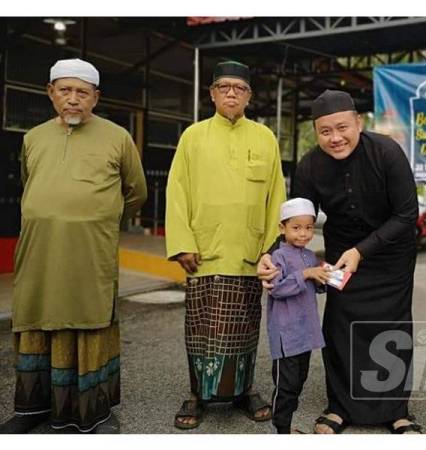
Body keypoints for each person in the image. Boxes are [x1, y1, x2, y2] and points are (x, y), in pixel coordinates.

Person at [258, 90, 421, 434]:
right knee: (340, 325)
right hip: (341, 253)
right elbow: (297, 221)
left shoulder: (387, 152)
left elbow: (407, 215)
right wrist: (269, 257)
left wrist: (363, 251)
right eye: (325, 131)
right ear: (316, 132)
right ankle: (340, 407)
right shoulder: (309, 165)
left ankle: (396, 410)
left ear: (358, 123)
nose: (335, 138)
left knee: (389, 327)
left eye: (342, 127)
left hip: (391, 254)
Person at [0, 58, 147, 434]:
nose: (73, 99)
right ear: (51, 93)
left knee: (90, 321)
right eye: (65, 90)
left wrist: (99, 218)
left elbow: (136, 192)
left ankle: (92, 411)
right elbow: (30, 182)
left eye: (82, 92)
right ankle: (32, 407)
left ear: (95, 97)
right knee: (36, 316)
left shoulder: (117, 137)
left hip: (90, 251)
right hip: (40, 251)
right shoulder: (33, 138)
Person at [165, 61, 286, 430]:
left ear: (249, 95)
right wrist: (182, 243)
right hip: (204, 251)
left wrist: (270, 247)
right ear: (212, 94)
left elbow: (275, 194)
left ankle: (243, 390)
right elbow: (177, 191)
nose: (231, 93)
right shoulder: (193, 136)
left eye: (239, 88)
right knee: (200, 327)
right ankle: (197, 393)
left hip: (249, 253)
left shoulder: (264, 138)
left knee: (246, 326)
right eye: (224, 87)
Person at [267, 198, 329, 434]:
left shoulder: (310, 256)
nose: (303, 234)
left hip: (306, 332)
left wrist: (324, 277)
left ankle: (286, 425)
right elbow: (277, 289)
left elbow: (315, 286)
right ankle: (280, 430)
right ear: (282, 228)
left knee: (299, 381)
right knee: (286, 385)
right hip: (286, 334)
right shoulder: (278, 257)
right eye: (296, 228)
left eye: (308, 228)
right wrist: (306, 274)